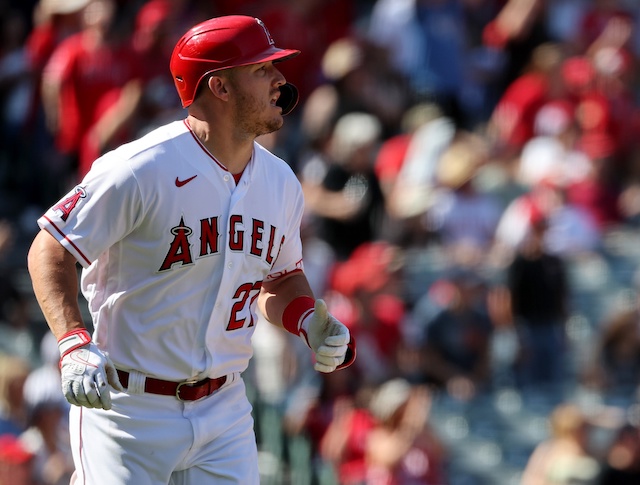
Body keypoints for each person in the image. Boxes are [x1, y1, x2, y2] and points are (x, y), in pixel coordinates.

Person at [26, 14, 355, 485]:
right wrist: (72, 342)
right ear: (219, 87)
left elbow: (278, 279)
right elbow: (49, 249)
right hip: (128, 407)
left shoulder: (281, 181)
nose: (280, 79)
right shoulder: (139, 168)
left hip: (225, 408)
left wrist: (308, 320)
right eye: (262, 69)